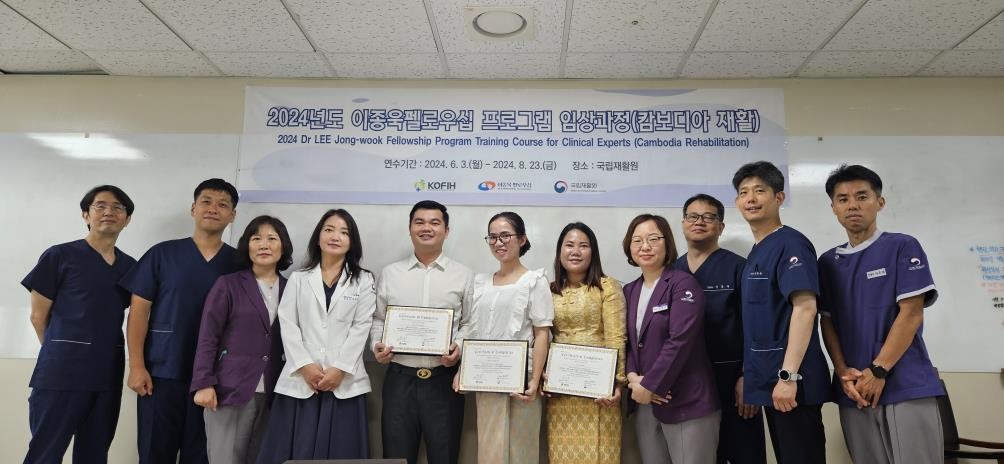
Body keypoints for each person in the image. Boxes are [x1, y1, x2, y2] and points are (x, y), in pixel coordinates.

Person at [818, 164, 944, 464]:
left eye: (862, 196)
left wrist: (878, 371)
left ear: (880, 202)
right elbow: (827, 321)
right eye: (843, 199)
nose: (853, 205)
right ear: (833, 207)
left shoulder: (901, 246)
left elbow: (912, 314)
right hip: (854, 391)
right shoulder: (827, 262)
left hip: (904, 385)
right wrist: (842, 371)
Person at [121, 178, 239, 464]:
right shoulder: (162, 254)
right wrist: (136, 366)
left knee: (200, 455)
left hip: (214, 378)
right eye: (206, 202)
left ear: (233, 215)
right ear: (193, 208)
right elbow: (137, 314)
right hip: (162, 373)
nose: (214, 209)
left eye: (223, 204)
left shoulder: (238, 263)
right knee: (154, 452)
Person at [21, 185, 137, 464]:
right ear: (86, 215)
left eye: (118, 207)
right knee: (45, 452)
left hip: (107, 373)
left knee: (95, 453)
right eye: (100, 206)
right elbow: (38, 316)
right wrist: (61, 353)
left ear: (127, 219)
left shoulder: (130, 267)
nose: (109, 212)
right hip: (61, 372)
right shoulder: (59, 256)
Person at [256, 209, 375, 463]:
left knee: (341, 453)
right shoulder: (299, 278)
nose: (335, 236)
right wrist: (305, 366)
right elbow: (288, 325)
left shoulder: (363, 280)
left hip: (344, 382)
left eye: (344, 232)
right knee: (295, 450)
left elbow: (361, 327)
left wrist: (340, 369)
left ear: (352, 241)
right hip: (302, 380)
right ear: (318, 237)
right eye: (329, 229)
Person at [732, 161, 830, 463]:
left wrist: (788, 377)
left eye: (760, 190)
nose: (751, 198)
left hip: (790, 382)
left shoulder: (791, 244)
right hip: (771, 380)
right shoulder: (758, 250)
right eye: (744, 192)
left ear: (779, 198)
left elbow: (805, 308)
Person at [370, 200, 474, 464]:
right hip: (399, 380)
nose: (426, 228)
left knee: (445, 456)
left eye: (434, 222)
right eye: (420, 222)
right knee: (396, 457)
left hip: (443, 381)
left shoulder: (463, 275)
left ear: (446, 231)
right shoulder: (391, 273)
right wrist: (377, 345)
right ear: (410, 228)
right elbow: (378, 319)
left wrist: (459, 347)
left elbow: (470, 323)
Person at [190, 215, 294, 463]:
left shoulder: (294, 288)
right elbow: (208, 336)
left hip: (275, 391)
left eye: (272, 238)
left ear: (283, 246)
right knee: (226, 458)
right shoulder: (228, 285)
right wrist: (203, 382)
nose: (264, 245)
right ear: (247, 246)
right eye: (256, 238)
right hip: (229, 388)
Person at [674, 194, 767, 464]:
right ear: (683, 223)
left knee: (743, 454)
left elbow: (755, 327)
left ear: (721, 227)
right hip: (687, 386)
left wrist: (748, 377)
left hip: (733, 384)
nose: (699, 222)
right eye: (693, 216)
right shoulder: (672, 272)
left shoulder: (740, 267)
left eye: (709, 217)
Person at [622, 213, 721, 464]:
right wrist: (633, 378)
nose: (645, 246)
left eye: (653, 238)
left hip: (687, 401)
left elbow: (680, 341)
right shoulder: (629, 290)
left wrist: (651, 384)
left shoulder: (683, 284)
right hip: (645, 402)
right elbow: (629, 343)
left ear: (667, 243)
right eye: (637, 240)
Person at [457, 211, 554, 464]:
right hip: (485, 379)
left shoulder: (535, 281)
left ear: (521, 239)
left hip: (521, 381)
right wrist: (461, 371)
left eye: (505, 236)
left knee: (522, 449)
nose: (498, 243)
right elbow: (472, 331)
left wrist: (534, 381)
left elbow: (542, 333)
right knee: (490, 448)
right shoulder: (480, 283)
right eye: (492, 237)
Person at [545, 222, 626, 464]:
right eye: (569, 245)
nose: (575, 251)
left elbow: (616, 336)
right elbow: (542, 337)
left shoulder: (607, 286)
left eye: (583, 245)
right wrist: (542, 376)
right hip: (561, 390)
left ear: (593, 252)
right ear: (560, 252)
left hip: (600, 390)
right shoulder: (549, 290)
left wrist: (617, 383)